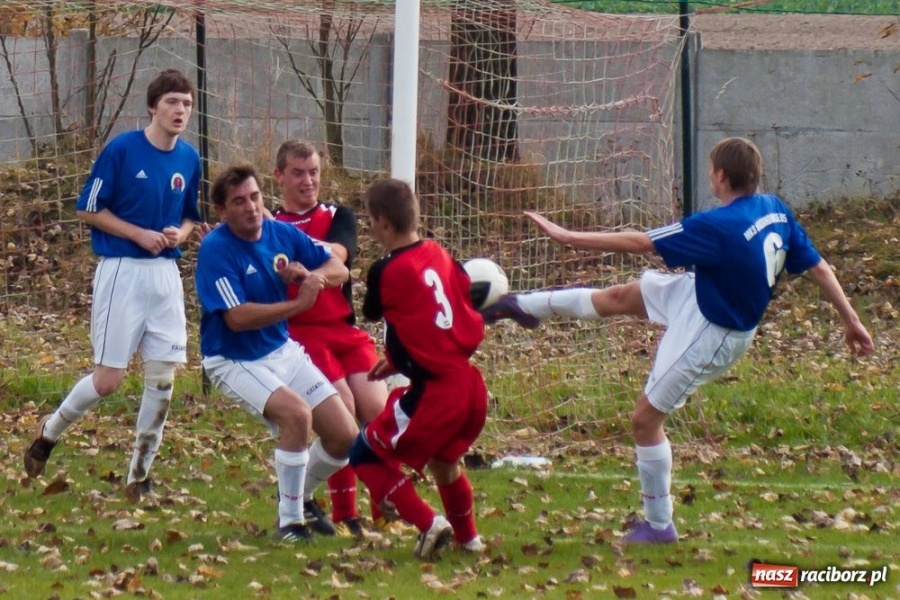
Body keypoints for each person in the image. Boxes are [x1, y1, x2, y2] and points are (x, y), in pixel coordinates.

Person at [484, 137, 875, 544]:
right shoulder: (774, 209)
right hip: (704, 293)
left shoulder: (717, 226)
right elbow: (819, 268)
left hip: (714, 332)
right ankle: (518, 306)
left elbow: (641, 242)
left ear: (720, 176)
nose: (710, 175)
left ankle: (659, 526)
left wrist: (568, 237)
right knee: (618, 297)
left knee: (644, 420)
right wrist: (852, 320)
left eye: (711, 169)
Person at [24, 69, 202, 502]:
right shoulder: (122, 150)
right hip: (122, 270)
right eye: (172, 102)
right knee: (108, 381)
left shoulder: (190, 159)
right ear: (152, 107)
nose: (180, 111)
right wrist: (136, 234)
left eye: (187, 104)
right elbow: (87, 208)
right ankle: (50, 430)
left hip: (165, 276)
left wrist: (180, 232)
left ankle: (139, 476)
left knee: (162, 379)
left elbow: (191, 214)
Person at [195, 163, 358, 541]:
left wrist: (313, 276)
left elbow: (340, 268)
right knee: (296, 416)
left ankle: (298, 497)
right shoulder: (215, 250)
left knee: (344, 437)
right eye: (238, 202)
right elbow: (236, 318)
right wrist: (298, 306)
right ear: (221, 211)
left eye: (255, 197)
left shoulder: (280, 233)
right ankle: (290, 523)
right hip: (233, 358)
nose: (251, 207)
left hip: (279, 348)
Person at [348, 178, 489, 560]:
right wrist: (397, 360)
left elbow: (374, 311)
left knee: (363, 453)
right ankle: (470, 540)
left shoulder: (384, 270)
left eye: (371, 219)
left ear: (382, 223)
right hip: (470, 386)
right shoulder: (439, 253)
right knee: (445, 462)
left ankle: (430, 524)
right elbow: (439, 312)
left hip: (435, 393)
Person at [271, 140, 393, 537]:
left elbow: (341, 257)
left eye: (314, 173)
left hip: (344, 331)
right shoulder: (268, 225)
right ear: (279, 176)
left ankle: (385, 504)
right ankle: (344, 513)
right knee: (340, 412)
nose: (308, 181)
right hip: (302, 335)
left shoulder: (337, 214)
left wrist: (305, 262)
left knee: (376, 410)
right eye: (298, 173)